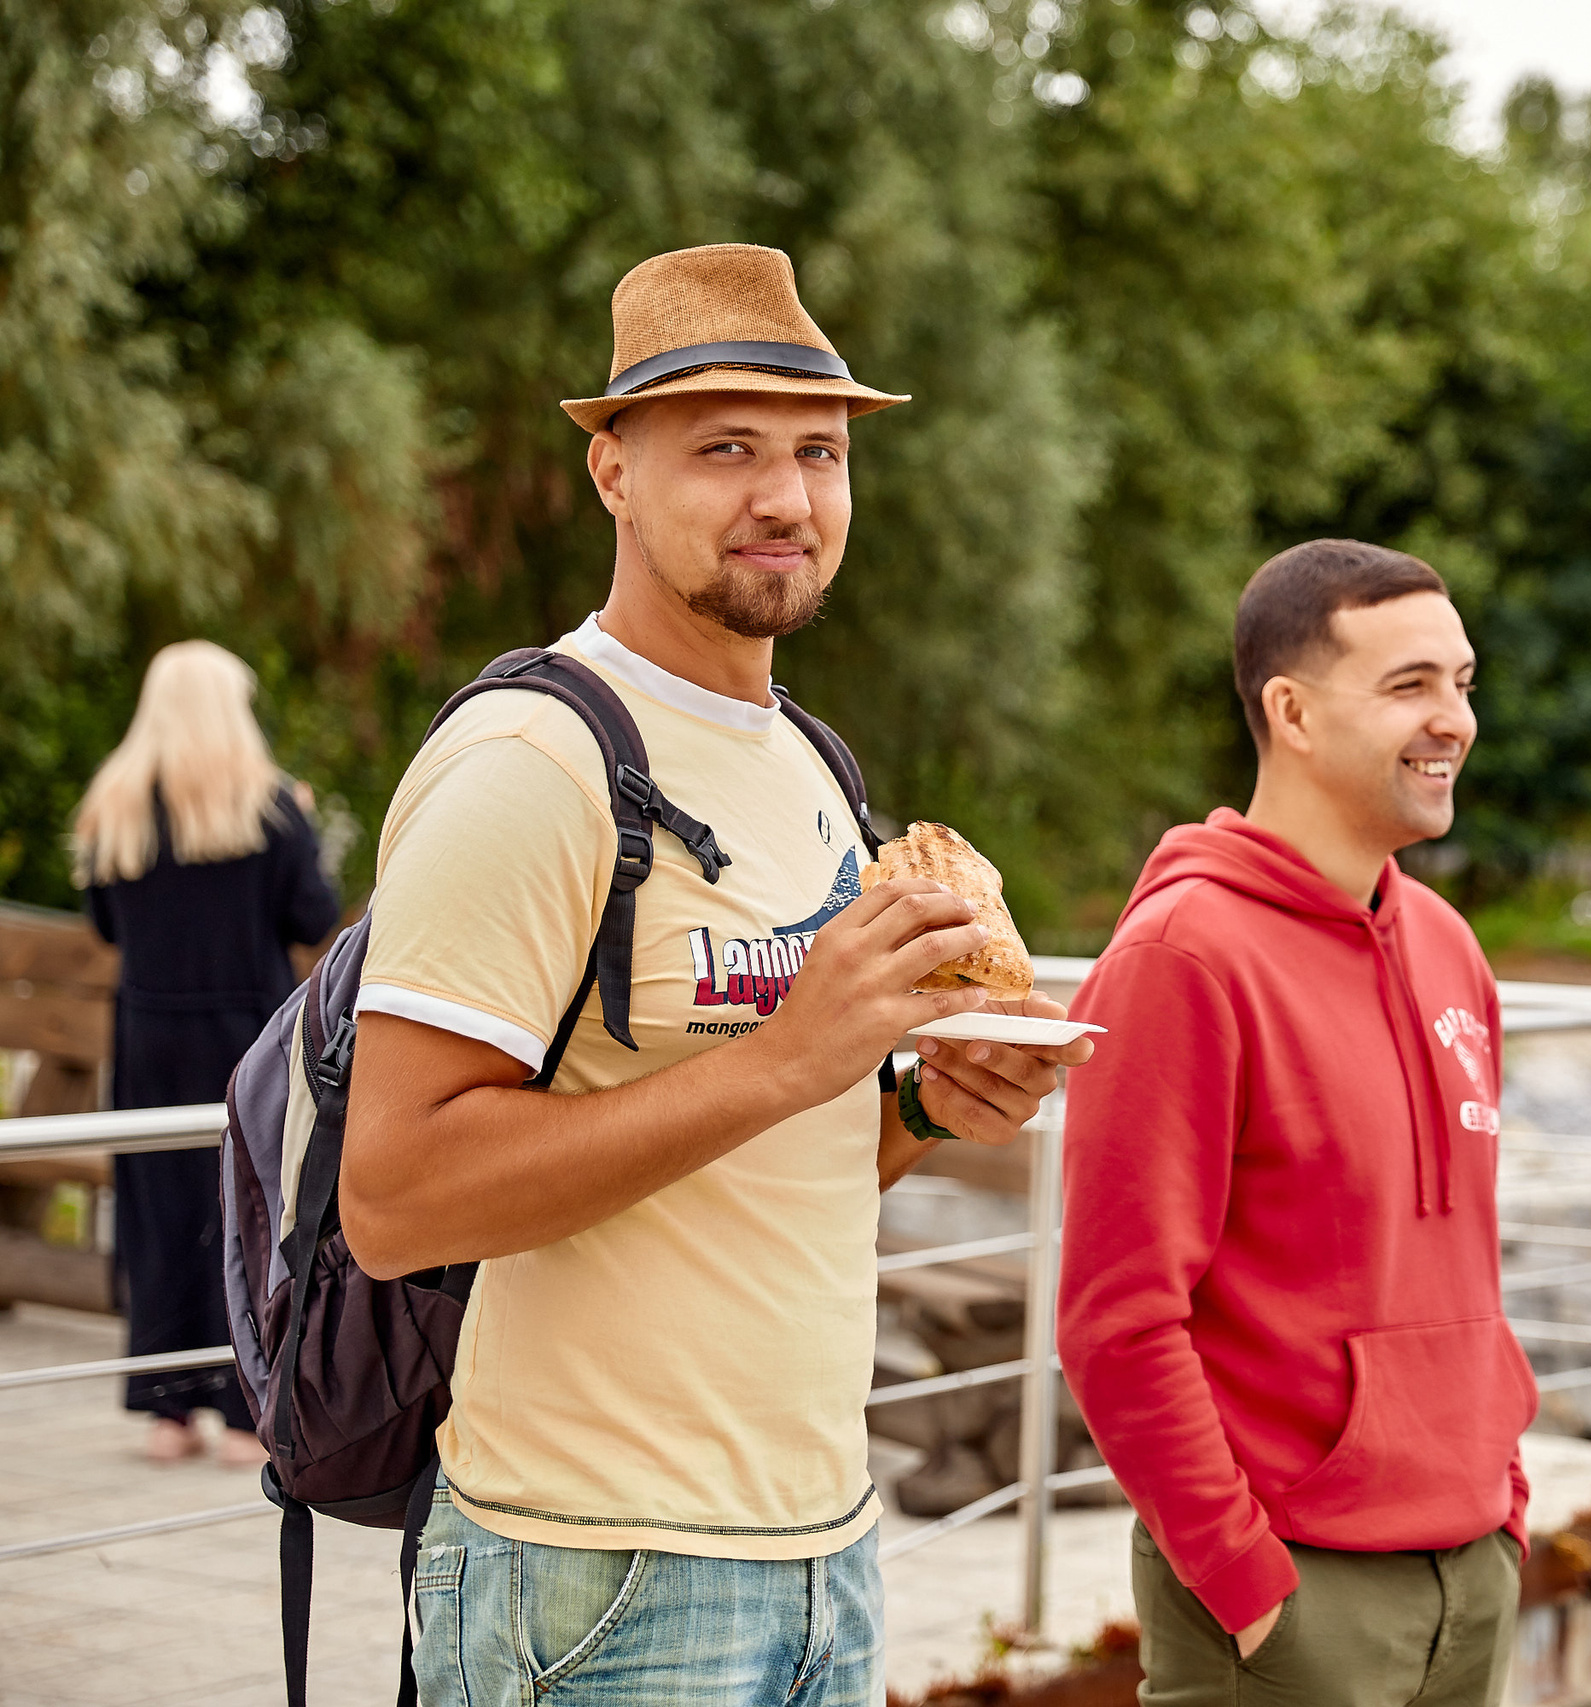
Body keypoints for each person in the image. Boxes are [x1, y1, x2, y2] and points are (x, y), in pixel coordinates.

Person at [337, 244, 1094, 1704]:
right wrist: (790, 1054)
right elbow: (393, 1199)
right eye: (727, 448)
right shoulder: (532, 761)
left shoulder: (813, 763)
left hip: (824, 1552)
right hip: (593, 1571)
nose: (788, 498)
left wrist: (923, 1105)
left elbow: (779, 1143)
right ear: (614, 472)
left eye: (820, 452)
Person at [1058, 541, 1539, 1707]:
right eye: (1409, 685)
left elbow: (1459, 1261)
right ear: (1293, 712)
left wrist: (1503, 1502)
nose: (1454, 721)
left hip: (1469, 1577)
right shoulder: (1182, 958)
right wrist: (1245, 1582)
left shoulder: (1447, 946)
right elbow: (1118, 1320)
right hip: (1291, 1609)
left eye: (1462, 683)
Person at [74, 640, 340, 1466]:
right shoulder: (271, 807)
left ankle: (167, 1407)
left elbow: (105, 925)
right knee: (249, 1209)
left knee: (156, 1210)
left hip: (150, 1035)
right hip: (245, 1037)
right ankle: (242, 1402)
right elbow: (313, 916)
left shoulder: (116, 805)